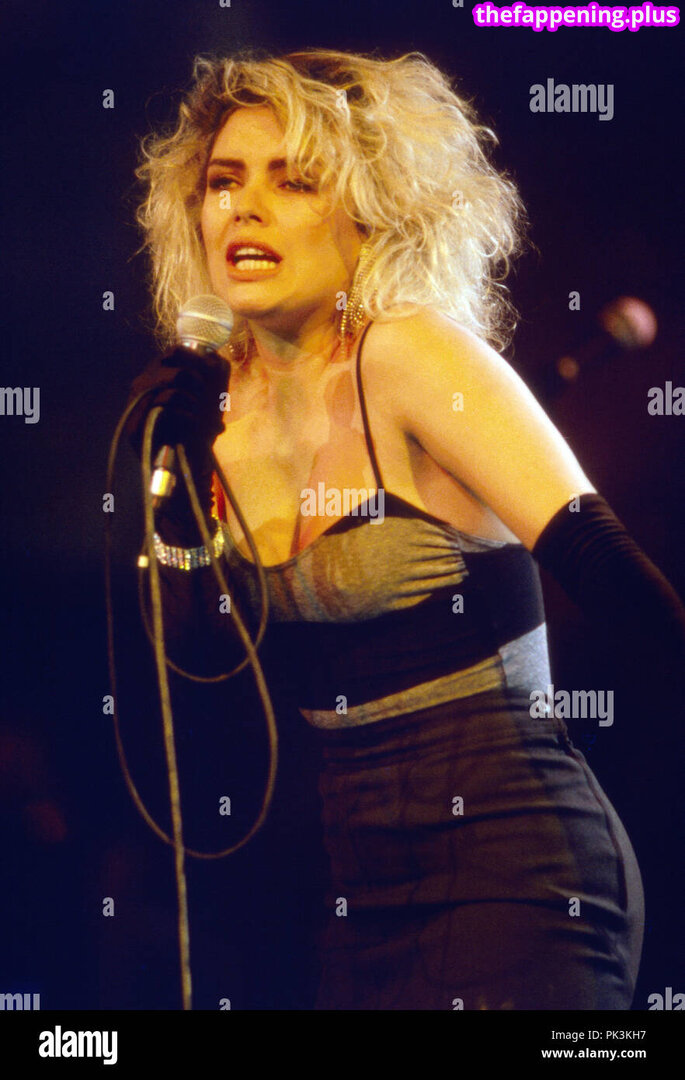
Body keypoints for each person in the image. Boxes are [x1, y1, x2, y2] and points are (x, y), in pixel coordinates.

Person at [126, 48, 685, 1009]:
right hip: (350, 896)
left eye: (292, 181)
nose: (244, 207)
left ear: (370, 210)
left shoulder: (411, 355)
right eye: (223, 182)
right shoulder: (212, 412)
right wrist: (172, 491)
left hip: (518, 870)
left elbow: (614, 579)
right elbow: (198, 671)